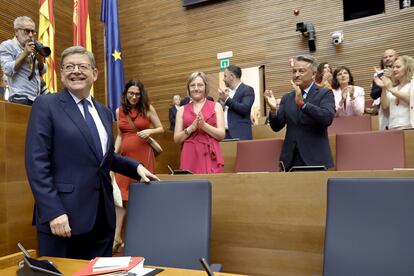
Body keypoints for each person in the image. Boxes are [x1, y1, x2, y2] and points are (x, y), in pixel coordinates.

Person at [24, 46, 159, 260]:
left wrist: (136, 167)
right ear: (61, 74)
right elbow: (36, 163)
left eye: (82, 66)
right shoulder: (46, 105)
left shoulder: (104, 111)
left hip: (102, 219)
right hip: (62, 220)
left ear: (94, 74)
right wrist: (53, 212)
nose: (75, 71)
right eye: (69, 66)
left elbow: (104, 157)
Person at [113, 79, 164, 252]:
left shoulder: (148, 109)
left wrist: (150, 131)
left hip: (144, 156)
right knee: (120, 196)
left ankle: (135, 237)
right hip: (125, 159)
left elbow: (161, 128)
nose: (134, 97)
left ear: (141, 94)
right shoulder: (119, 111)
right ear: (125, 94)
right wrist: (112, 155)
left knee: (139, 197)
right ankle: (116, 237)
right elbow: (120, 135)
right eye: (131, 94)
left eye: (137, 94)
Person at [264, 55, 335, 171]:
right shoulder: (287, 98)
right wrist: (273, 110)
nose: (296, 75)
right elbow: (277, 126)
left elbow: (327, 118)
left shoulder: (325, 93)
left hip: (315, 158)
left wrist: (304, 105)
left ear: (313, 74)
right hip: (290, 159)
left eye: (301, 71)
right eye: (294, 71)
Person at [174, 71, 225, 173]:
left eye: (200, 85)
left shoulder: (216, 106)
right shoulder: (181, 110)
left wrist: (204, 125)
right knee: (190, 187)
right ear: (188, 88)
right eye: (192, 85)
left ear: (205, 87)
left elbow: (221, 135)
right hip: (190, 154)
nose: (196, 88)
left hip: (210, 153)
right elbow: (176, 139)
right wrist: (191, 128)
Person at [0, 16, 46, 105]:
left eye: (33, 32)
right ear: (16, 31)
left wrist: (40, 59)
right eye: (26, 31)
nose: (30, 35)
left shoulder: (33, 46)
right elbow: (7, 70)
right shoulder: (7, 46)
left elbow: (42, 71)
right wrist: (25, 54)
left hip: (36, 99)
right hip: (19, 98)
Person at [218, 65, 255, 140]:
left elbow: (245, 108)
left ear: (231, 76)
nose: (223, 79)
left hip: (240, 135)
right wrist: (221, 106)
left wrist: (227, 100)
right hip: (224, 135)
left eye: (225, 76)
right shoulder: (226, 92)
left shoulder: (247, 90)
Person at [379, 55, 414, 130]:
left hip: (409, 127)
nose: (394, 70)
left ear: (407, 68)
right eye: (393, 67)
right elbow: (385, 107)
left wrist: (390, 88)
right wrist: (384, 88)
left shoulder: (412, 83)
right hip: (393, 127)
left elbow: (411, 99)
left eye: (398, 67)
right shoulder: (394, 87)